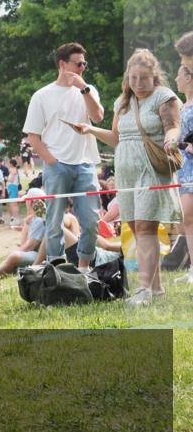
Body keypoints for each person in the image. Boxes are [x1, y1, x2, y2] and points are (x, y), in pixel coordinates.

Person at [75, 48, 182, 304]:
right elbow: (115, 137)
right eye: (133, 78)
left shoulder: (164, 97)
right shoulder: (123, 103)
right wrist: (90, 129)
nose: (137, 83)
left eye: (143, 78)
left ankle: (143, 289)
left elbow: (173, 128)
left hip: (151, 170)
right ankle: (156, 288)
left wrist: (170, 141)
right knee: (136, 228)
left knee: (145, 228)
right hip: (126, 172)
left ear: (154, 76)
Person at [23, 42, 104, 271]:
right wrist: (51, 161)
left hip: (85, 164)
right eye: (78, 64)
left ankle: (84, 268)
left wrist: (84, 89)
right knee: (54, 222)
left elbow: (98, 117)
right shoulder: (42, 96)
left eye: (84, 64)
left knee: (90, 221)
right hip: (57, 166)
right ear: (62, 64)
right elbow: (33, 137)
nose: (82, 68)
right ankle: (57, 269)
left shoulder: (88, 90)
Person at [0, 198, 48, 288]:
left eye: (27, 201)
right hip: (37, 254)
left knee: (14, 256)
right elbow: (24, 244)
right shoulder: (34, 220)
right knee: (11, 260)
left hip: (40, 256)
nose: (26, 203)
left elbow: (29, 246)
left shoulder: (38, 221)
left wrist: (14, 254)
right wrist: (26, 225)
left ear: (33, 202)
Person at [176, 64, 193, 283]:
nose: (175, 79)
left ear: (188, 77)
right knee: (187, 219)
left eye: (179, 75)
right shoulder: (182, 106)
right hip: (184, 167)